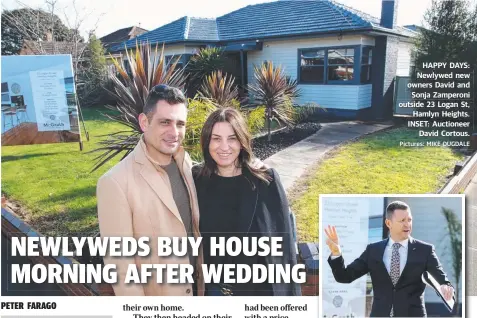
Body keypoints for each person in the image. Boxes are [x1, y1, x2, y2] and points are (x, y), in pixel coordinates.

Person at [97, 84, 204, 296]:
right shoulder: (115, 182)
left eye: (180, 124)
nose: (174, 133)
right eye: (165, 122)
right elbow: (121, 269)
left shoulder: (185, 163)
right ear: (144, 122)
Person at [192, 107, 301, 296]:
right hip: (211, 291)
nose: (224, 147)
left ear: (242, 141)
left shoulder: (265, 181)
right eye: (216, 138)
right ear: (207, 142)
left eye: (232, 138)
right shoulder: (196, 180)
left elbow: (284, 250)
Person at [326, 201, 455, 317]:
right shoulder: (373, 250)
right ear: (389, 223)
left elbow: (442, 280)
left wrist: (446, 287)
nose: (407, 224)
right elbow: (344, 276)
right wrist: (336, 253)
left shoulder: (425, 250)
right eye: (402, 220)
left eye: (409, 220)